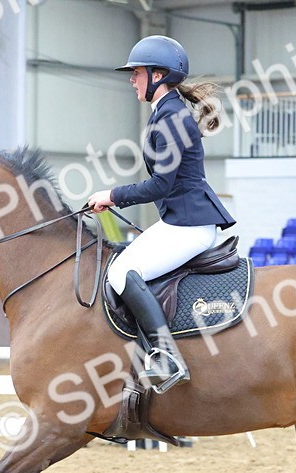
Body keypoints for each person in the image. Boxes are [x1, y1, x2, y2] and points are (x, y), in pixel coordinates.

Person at [87, 35, 236, 394]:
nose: (132, 80)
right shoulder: (165, 113)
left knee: (123, 272)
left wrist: (112, 195)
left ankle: (166, 356)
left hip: (189, 225)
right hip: (178, 221)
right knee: (120, 265)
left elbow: (160, 185)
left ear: (158, 76)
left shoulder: (171, 118)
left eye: (137, 73)